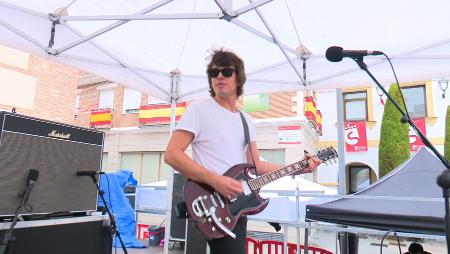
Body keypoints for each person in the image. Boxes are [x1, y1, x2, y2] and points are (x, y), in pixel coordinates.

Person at [164, 48, 321, 254]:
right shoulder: (199, 110)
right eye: (214, 72)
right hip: (211, 203)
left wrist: (298, 168)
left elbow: (257, 166)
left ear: (239, 78)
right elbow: (172, 154)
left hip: (239, 204)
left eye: (226, 71)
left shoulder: (245, 120)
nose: (219, 76)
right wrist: (216, 180)